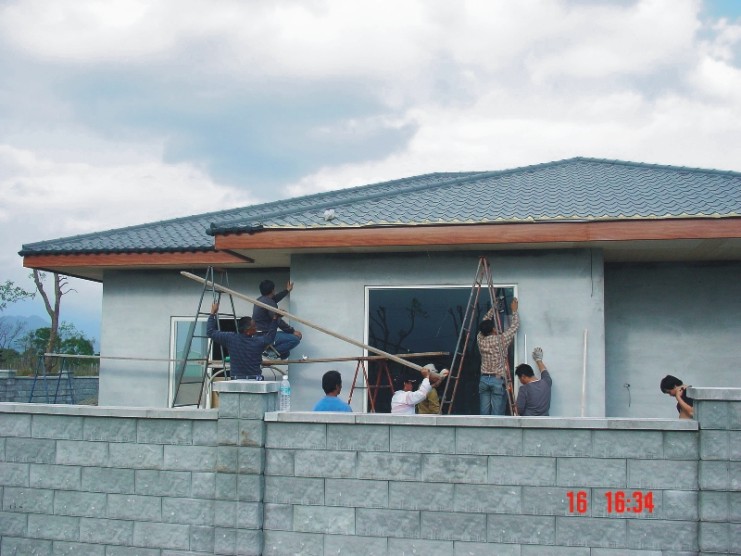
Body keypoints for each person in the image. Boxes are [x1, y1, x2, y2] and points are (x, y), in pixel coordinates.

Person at [207, 302, 277, 380]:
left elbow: (210, 332)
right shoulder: (258, 342)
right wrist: (275, 319)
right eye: (254, 327)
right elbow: (270, 337)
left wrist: (212, 313)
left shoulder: (230, 338)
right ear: (247, 331)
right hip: (254, 380)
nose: (256, 328)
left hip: (236, 380)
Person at [477, 297, 519, 415]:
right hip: (497, 379)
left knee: (484, 411)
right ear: (493, 330)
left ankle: (483, 431)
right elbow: (514, 327)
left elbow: (483, 324)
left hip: (484, 379)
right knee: (497, 412)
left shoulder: (480, 338)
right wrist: (514, 310)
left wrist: (493, 309)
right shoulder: (501, 340)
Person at [252, 279, 303, 359]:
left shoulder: (260, 300)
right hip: (265, 336)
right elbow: (278, 321)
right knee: (295, 339)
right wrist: (292, 331)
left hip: (259, 336)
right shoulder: (269, 303)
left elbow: (275, 298)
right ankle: (269, 353)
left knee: (286, 354)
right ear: (273, 290)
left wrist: (287, 290)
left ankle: (272, 353)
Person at [514, 347, 552, 416]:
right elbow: (544, 371)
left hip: (529, 423)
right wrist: (538, 360)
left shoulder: (524, 389)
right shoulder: (546, 382)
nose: (520, 381)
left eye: (519, 378)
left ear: (523, 376)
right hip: (545, 422)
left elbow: (519, 410)